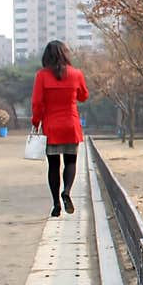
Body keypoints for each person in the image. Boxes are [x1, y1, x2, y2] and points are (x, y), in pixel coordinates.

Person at [31, 40, 89, 218]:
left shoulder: (41, 76)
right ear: (65, 54)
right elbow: (83, 96)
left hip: (51, 126)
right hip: (71, 125)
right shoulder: (76, 74)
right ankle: (67, 192)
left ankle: (56, 204)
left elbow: (37, 103)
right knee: (71, 162)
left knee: (54, 166)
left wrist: (36, 121)